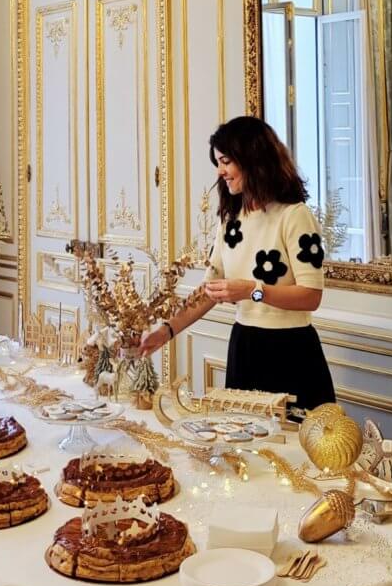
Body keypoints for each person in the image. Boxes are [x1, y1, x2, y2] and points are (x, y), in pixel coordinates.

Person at [140, 115, 335, 410]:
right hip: (245, 347)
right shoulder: (231, 220)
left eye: (226, 161)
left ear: (252, 159)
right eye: (218, 163)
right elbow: (209, 289)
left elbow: (311, 296)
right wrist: (166, 331)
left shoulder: (294, 216)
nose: (221, 172)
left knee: (295, 451)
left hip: (291, 351)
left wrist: (253, 291)